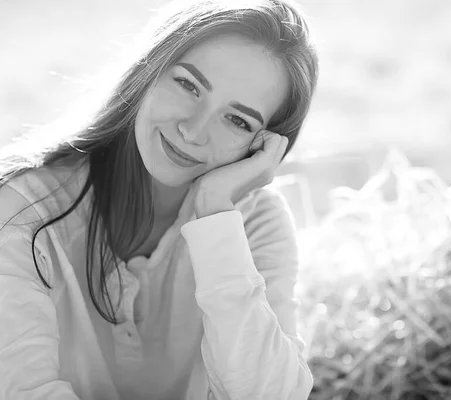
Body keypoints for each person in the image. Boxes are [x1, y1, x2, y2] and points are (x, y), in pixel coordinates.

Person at [0, 0, 318, 398]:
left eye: (238, 120)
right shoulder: (19, 212)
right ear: (147, 70)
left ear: (262, 145)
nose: (193, 130)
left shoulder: (255, 220)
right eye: (188, 85)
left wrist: (215, 214)